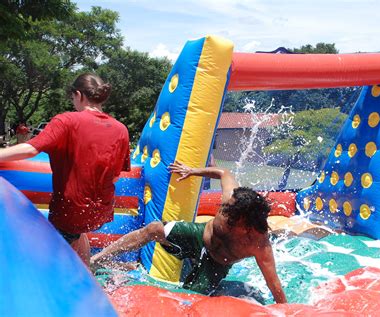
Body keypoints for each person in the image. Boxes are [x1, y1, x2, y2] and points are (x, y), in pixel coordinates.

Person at [91, 161, 287, 304]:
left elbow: (273, 283)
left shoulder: (258, 243)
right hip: (198, 236)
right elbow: (224, 172)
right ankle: (96, 260)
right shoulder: (232, 198)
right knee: (154, 229)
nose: (223, 210)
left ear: (245, 224)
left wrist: (284, 310)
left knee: (190, 300)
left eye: (229, 213)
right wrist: (192, 171)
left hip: (216, 263)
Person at [0, 73, 130, 264]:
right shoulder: (121, 129)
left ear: (78, 95)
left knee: (47, 261)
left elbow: (30, 149)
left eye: (72, 98)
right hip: (100, 212)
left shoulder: (67, 121)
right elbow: (115, 177)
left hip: (70, 211)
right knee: (77, 232)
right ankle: (88, 273)